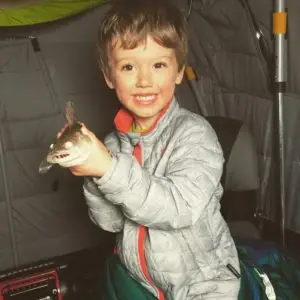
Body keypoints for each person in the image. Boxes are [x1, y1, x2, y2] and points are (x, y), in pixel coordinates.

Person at [63, 0, 241, 298]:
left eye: (158, 65)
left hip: (204, 283)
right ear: (109, 76)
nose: (144, 81)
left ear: (179, 71)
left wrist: (108, 169)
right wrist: (93, 174)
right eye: (129, 66)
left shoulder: (195, 134)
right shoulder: (111, 144)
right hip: (142, 281)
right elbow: (111, 222)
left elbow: (178, 209)